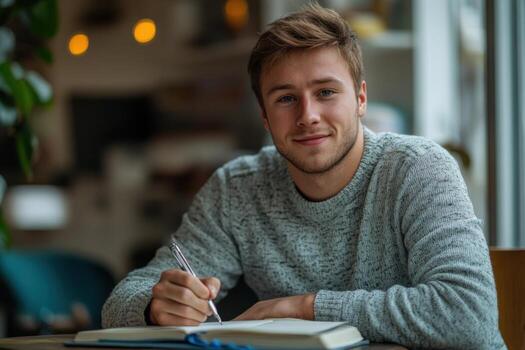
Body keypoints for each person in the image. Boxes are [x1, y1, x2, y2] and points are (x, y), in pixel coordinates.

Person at [102, 3, 505, 349]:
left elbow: (468, 313)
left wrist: (304, 307)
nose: (308, 115)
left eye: (326, 92)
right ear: (264, 116)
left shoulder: (416, 168)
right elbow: (120, 303)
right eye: (286, 99)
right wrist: (156, 306)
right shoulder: (237, 188)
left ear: (361, 98)